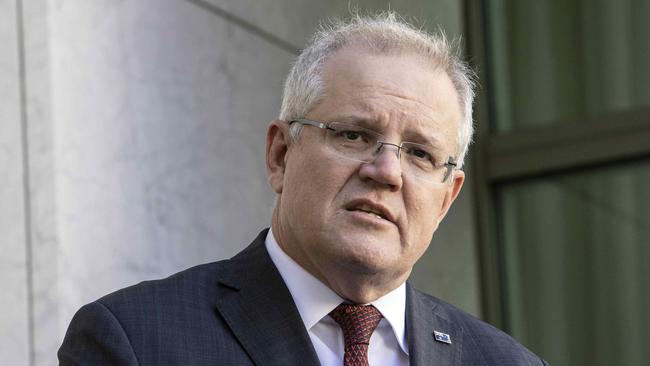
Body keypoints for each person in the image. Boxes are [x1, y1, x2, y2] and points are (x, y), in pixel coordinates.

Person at [58, 13, 548, 365]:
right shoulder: (136, 340)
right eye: (354, 134)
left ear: (446, 198)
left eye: (420, 153)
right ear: (281, 155)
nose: (387, 171)